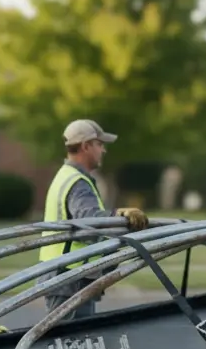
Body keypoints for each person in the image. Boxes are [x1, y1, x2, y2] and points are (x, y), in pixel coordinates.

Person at [39, 119, 150, 319]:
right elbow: (88, 220)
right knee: (70, 344)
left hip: (68, 278)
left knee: (75, 343)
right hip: (69, 279)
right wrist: (118, 215)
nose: (104, 150)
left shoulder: (68, 176)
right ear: (85, 146)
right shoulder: (77, 182)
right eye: (100, 144)